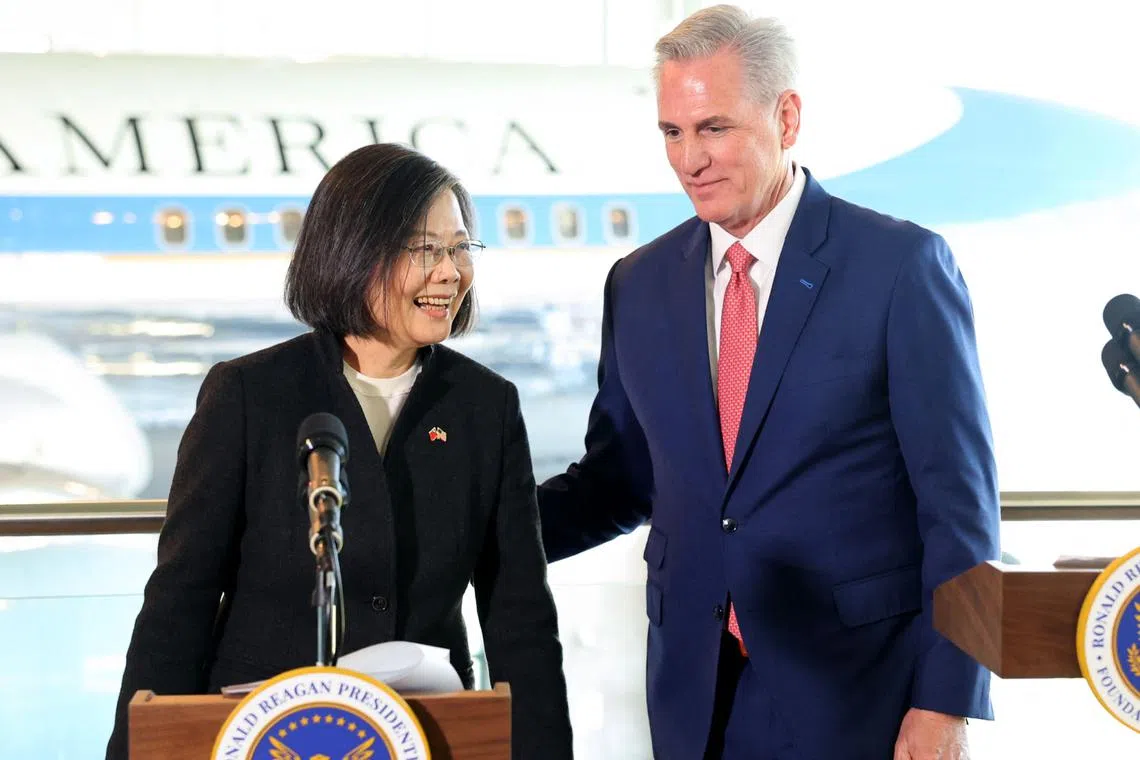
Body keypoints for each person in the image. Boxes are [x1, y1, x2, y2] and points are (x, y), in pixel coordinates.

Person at [538, 6, 1000, 760]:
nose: (691, 160)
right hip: (696, 696)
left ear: (786, 117)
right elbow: (619, 481)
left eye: (714, 128)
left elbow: (961, 510)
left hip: (860, 698)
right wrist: (472, 535)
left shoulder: (899, 267)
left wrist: (947, 702)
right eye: (672, 133)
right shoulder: (639, 283)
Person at [105, 143, 573, 760]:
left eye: (459, 247)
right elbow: (180, 600)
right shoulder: (249, 394)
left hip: (425, 735)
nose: (449, 271)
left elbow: (519, 617)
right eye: (423, 249)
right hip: (260, 737)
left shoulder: (485, 406)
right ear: (354, 250)